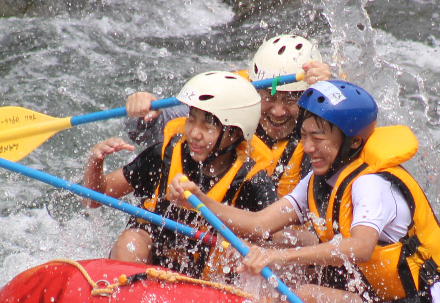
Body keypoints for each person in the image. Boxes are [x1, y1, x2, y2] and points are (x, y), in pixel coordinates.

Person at [166, 80, 440, 303]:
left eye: (318, 139)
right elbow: (259, 225)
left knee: (303, 293)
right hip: (370, 295)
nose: (307, 147)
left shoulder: (370, 184)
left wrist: (279, 256)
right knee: (258, 247)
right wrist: (200, 199)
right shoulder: (318, 179)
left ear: (353, 142)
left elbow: (361, 248)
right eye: (304, 136)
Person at [83, 71, 278, 279]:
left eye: (208, 125)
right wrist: (95, 162)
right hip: (146, 275)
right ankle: (120, 295)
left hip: (208, 290)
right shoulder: (164, 155)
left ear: (236, 133)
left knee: (237, 255)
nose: (194, 133)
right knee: (130, 241)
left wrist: (251, 250)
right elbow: (94, 199)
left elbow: (272, 239)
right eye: (191, 120)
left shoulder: (252, 181)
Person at [124, 34, 331, 196]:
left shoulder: (319, 123)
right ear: (254, 90)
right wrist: (146, 114)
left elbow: (355, 134)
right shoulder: (233, 96)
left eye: (291, 99)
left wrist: (331, 92)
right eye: (269, 96)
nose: (278, 111)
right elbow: (152, 130)